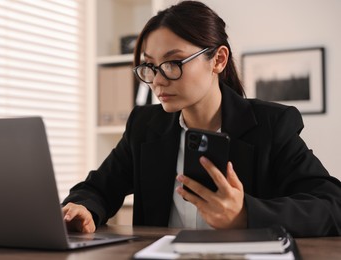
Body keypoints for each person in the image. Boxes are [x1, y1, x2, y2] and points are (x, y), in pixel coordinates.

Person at [62, 0, 341, 237]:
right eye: (149, 66)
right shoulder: (145, 126)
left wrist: (245, 215)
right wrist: (84, 208)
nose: (157, 80)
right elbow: (98, 188)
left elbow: (332, 205)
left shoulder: (271, 125)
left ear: (218, 60)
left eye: (173, 63)